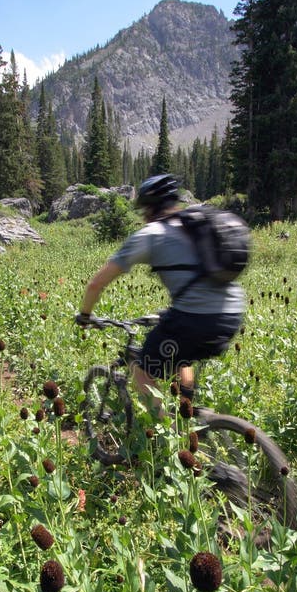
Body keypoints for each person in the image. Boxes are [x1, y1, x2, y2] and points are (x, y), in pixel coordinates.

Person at [76, 174, 245, 415]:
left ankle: (165, 430)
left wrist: (85, 315)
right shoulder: (194, 225)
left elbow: (96, 284)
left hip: (195, 318)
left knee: (141, 369)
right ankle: (187, 411)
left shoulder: (151, 234)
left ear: (148, 207)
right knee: (180, 355)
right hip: (232, 314)